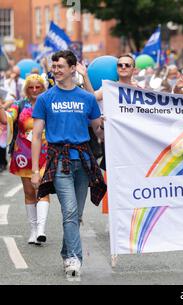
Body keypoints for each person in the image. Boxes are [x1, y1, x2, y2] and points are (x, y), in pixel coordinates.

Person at [31, 50, 106, 278]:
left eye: (60, 66)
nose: (55, 70)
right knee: (70, 211)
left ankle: (67, 251)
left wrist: (110, 125)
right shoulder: (46, 98)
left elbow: (98, 131)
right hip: (59, 161)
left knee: (76, 214)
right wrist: (35, 170)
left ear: (73, 68)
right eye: (54, 67)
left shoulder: (87, 98)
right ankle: (74, 258)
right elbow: (36, 135)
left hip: (83, 162)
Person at [0, 74, 50, 244]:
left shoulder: (49, 103)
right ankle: (33, 230)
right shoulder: (19, 104)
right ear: (26, 89)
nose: (35, 90)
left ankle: (42, 230)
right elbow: (6, 119)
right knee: (29, 192)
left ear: (43, 88)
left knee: (41, 189)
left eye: (38, 87)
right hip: (23, 154)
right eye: (31, 87)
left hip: (45, 151)